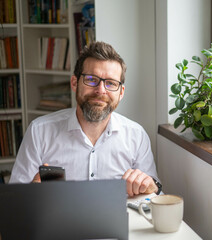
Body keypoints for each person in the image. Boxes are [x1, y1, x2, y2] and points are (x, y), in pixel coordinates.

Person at [9, 42, 161, 197]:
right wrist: (31, 193)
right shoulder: (39, 132)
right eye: (91, 79)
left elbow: (154, 198)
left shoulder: (137, 135)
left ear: (121, 92)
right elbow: (14, 200)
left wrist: (151, 187)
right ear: (75, 83)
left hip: (119, 221)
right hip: (59, 221)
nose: (101, 90)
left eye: (110, 83)